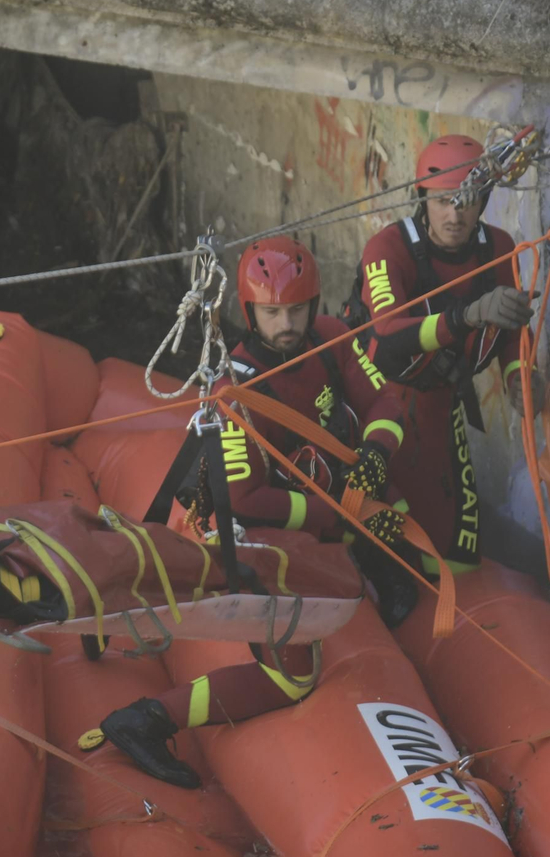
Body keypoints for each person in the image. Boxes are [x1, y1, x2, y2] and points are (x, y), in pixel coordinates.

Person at [95, 235, 418, 787]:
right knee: (292, 681)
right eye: (272, 314)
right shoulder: (234, 387)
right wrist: (344, 518)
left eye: (296, 310)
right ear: (249, 313)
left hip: (318, 497)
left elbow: (386, 400)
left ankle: (370, 563)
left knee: (399, 551)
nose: (286, 324)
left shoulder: (331, 340)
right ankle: (147, 720)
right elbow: (248, 502)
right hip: (258, 531)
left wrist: (376, 452)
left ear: (314, 306)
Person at [353, 134, 545, 578]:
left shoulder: (498, 247)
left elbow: (515, 327)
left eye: (467, 200)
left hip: (443, 400)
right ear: (422, 198)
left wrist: (520, 374)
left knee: (459, 554)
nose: (454, 214)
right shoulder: (387, 248)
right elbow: (387, 333)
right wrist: (467, 316)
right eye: (442, 201)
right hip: (379, 396)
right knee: (376, 527)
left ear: (483, 201)